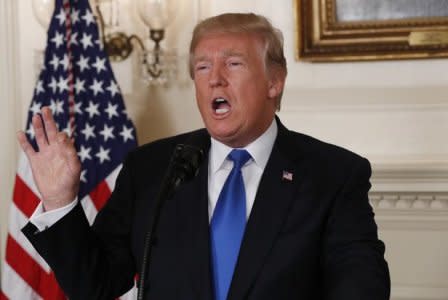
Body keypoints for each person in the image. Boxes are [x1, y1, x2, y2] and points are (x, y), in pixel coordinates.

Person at [19, 13, 390, 300]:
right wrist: (59, 200)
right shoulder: (150, 169)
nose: (215, 79)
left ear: (274, 82)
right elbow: (94, 286)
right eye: (202, 67)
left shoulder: (333, 175)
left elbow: (361, 290)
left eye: (233, 64)